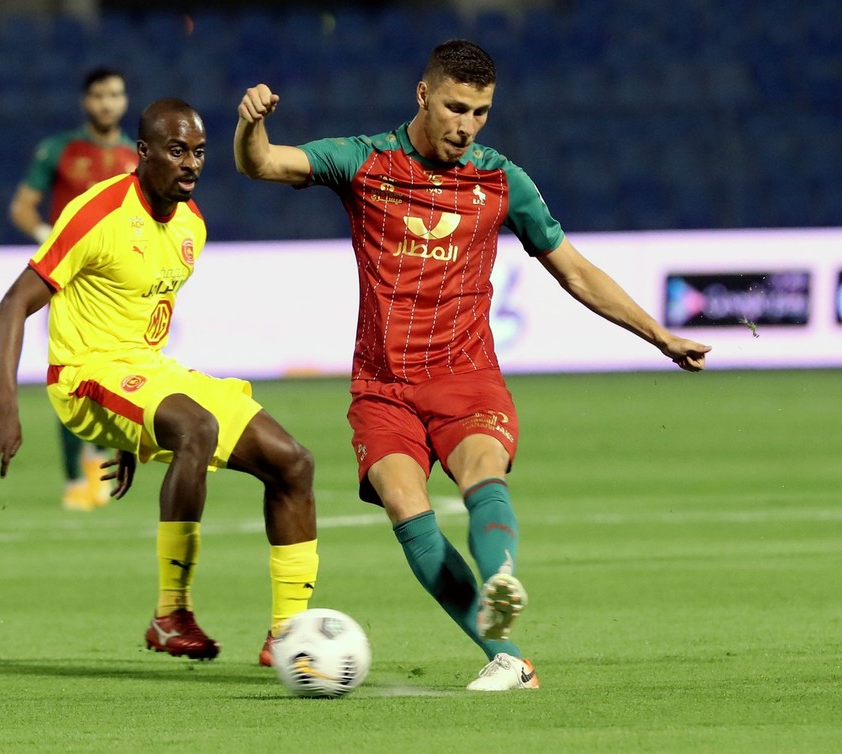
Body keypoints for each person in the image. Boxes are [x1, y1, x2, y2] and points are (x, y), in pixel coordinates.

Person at [234, 39, 712, 691]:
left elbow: (574, 270)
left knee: (481, 473)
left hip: (466, 377)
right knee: (406, 507)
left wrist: (658, 336)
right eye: (455, 108)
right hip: (382, 388)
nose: (467, 125)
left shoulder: (500, 181)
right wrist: (251, 125)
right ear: (423, 95)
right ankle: (509, 658)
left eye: (480, 112)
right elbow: (262, 163)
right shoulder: (364, 161)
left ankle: (500, 576)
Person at [0, 98, 319, 665]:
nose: (191, 164)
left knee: (293, 462)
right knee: (197, 427)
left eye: (199, 152)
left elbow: (140, 325)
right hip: (85, 374)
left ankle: (290, 636)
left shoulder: (191, 226)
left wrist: (140, 428)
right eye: (177, 150)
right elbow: (13, 304)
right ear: (143, 152)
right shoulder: (99, 212)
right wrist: (6, 407)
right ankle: (171, 615)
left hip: (148, 373)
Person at [9, 66, 139, 511]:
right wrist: (49, 236)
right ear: (86, 101)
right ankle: (75, 478)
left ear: (125, 101)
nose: (107, 103)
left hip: (117, 287)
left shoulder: (136, 158)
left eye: (115, 94)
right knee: (68, 377)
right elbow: (22, 207)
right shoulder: (60, 150)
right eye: (99, 95)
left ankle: (98, 464)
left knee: (117, 375)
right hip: (66, 283)